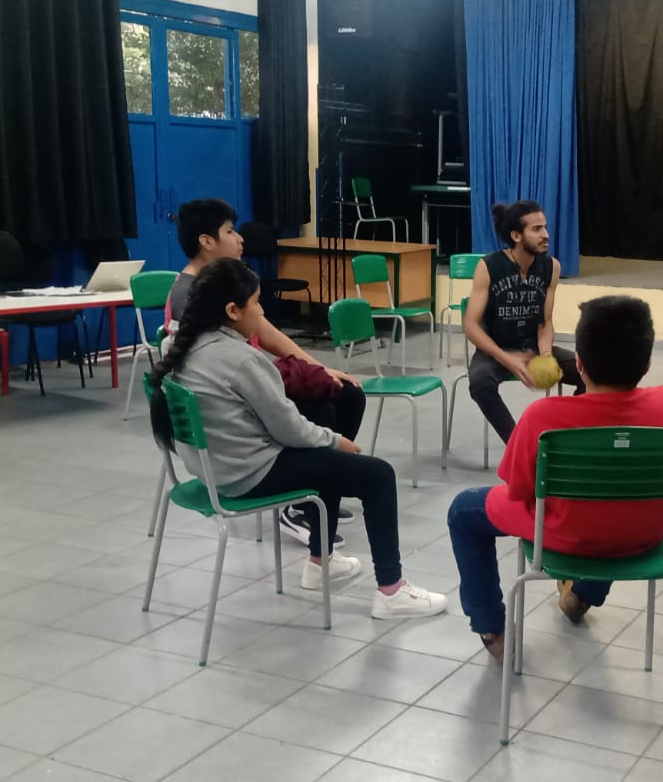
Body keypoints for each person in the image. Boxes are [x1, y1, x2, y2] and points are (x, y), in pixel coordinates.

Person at [149, 257, 447, 620]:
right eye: (256, 304)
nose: (261, 311)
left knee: (327, 456)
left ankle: (323, 562)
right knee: (376, 473)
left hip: (213, 469)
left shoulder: (178, 345)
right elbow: (287, 428)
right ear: (232, 310)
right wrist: (336, 440)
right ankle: (392, 592)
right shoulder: (241, 359)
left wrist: (328, 441)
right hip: (247, 474)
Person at [447, 295, 663, 660]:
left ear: (579, 365)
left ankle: (493, 630)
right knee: (618, 502)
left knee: (463, 511)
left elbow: (520, 491)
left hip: (570, 535)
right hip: (646, 534)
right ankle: (582, 596)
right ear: (647, 363)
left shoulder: (543, 418)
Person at [166, 198, 366, 541]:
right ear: (206, 241)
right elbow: (220, 370)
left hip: (253, 379)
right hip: (236, 401)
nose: (240, 238)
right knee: (323, 408)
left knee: (345, 391)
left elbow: (266, 332)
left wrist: (321, 368)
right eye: (230, 231)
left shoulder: (227, 280)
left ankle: (318, 488)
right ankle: (301, 501)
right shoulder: (194, 293)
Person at [463, 200, 586, 444]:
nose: (546, 235)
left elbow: (545, 322)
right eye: (537, 229)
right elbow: (471, 326)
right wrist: (505, 357)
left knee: (591, 372)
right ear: (516, 235)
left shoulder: (551, 267)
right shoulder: (489, 266)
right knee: (479, 384)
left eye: (545, 227)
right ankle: (519, 445)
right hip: (495, 350)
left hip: (533, 347)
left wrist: (547, 354)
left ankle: (569, 438)